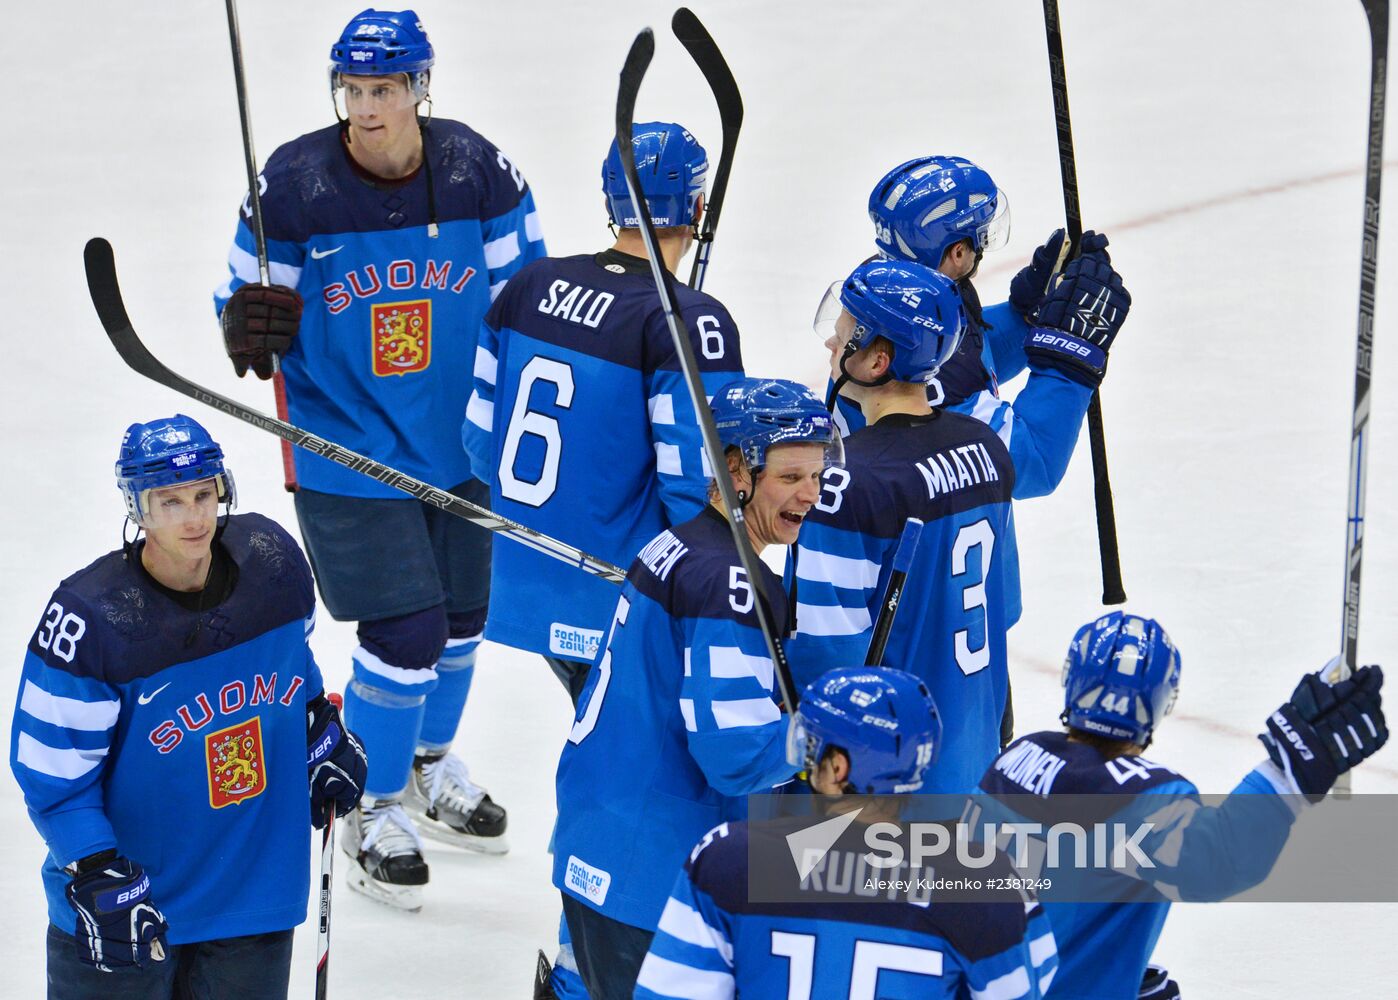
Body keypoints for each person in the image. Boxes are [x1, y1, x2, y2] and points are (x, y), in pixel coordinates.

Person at [212, 8, 546, 908]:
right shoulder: (290, 184)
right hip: (345, 447)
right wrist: (250, 321)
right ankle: (373, 799)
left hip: (461, 438)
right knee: (407, 633)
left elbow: (528, 294)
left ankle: (429, 764)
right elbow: (241, 303)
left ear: (418, 88)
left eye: (384, 89)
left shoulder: (477, 168)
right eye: (352, 90)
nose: (366, 107)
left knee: (468, 621)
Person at [10, 415, 367, 1000]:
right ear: (138, 507)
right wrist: (93, 867)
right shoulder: (91, 620)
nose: (195, 517)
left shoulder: (272, 563)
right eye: (171, 501)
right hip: (129, 909)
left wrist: (316, 727)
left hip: (253, 897)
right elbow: (54, 776)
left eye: (204, 494)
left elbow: (290, 663)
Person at [550, 378, 843, 999]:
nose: (810, 495)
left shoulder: (675, 545)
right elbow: (732, 755)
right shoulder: (732, 583)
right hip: (653, 859)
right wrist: (824, 736)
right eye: (791, 477)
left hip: (599, 825)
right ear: (737, 469)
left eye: (816, 476)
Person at [463, 121, 743, 704]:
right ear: (697, 205)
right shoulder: (691, 320)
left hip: (533, 586)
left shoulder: (528, 286)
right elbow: (700, 489)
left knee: (599, 747)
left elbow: (477, 442)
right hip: (628, 598)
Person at [977, 612, 1388, 998]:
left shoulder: (1014, 759)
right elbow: (1221, 861)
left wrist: (1112, 966)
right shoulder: (1143, 797)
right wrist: (1288, 769)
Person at [635, 665, 1059, 999]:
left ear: (838, 770)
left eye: (811, 747)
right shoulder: (985, 881)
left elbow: (670, 990)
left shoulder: (726, 859)